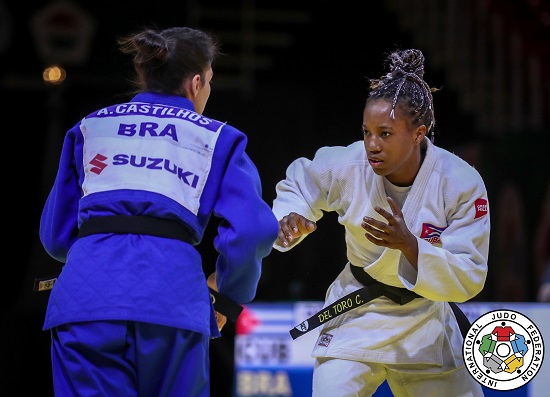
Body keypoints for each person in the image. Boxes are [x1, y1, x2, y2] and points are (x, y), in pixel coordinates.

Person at [39, 26, 279, 397]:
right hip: (172, 301)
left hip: (85, 301)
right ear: (196, 82)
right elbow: (252, 231)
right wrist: (226, 294)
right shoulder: (217, 137)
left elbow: (56, 237)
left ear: (143, 74)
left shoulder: (89, 128)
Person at [272, 48, 490, 396]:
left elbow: (470, 276)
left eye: (385, 133)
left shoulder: (460, 182)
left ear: (419, 133)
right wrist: (291, 217)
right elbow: (301, 181)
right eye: (366, 131)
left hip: (425, 323)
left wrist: (410, 245)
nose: (372, 145)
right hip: (358, 313)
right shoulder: (348, 164)